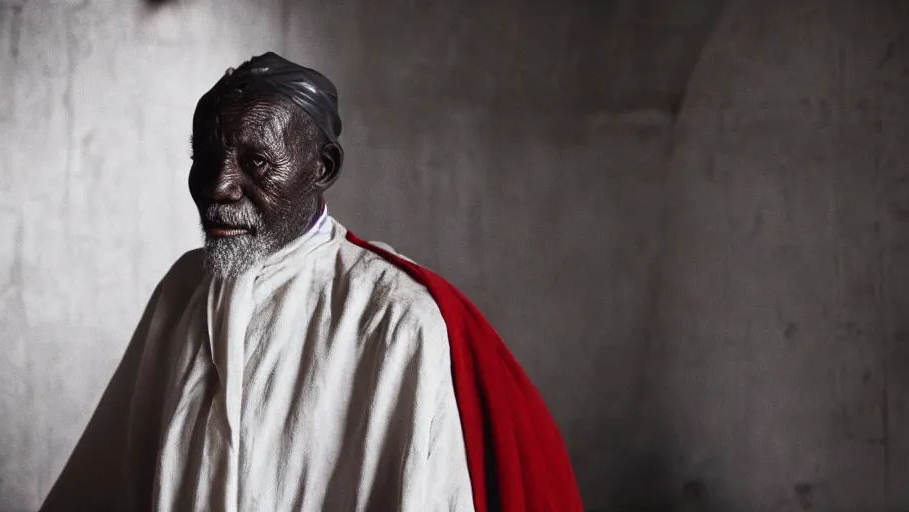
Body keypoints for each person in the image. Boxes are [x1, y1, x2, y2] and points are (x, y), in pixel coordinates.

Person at [40, 52, 583, 512]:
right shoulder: (183, 287)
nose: (219, 186)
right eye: (205, 158)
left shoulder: (395, 320)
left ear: (322, 168)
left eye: (255, 162)